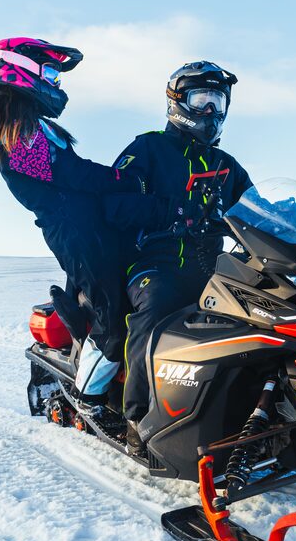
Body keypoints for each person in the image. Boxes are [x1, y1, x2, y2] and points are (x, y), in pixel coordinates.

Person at [0, 37, 143, 405]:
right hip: (74, 232)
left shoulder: (28, 123)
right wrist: (124, 180)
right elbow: (69, 173)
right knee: (112, 319)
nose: (57, 82)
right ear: (21, 68)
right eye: (52, 72)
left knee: (130, 303)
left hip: (90, 228)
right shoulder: (10, 124)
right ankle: (89, 397)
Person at [104, 61, 254, 453]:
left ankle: (248, 410)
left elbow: (255, 210)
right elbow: (115, 205)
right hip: (154, 264)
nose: (210, 111)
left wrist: (294, 217)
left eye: (217, 101)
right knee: (156, 311)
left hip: (212, 270)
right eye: (201, 99)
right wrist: (173, 211)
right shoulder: (148, 149)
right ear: (178, 102)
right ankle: (138, 417)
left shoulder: (226, 166)